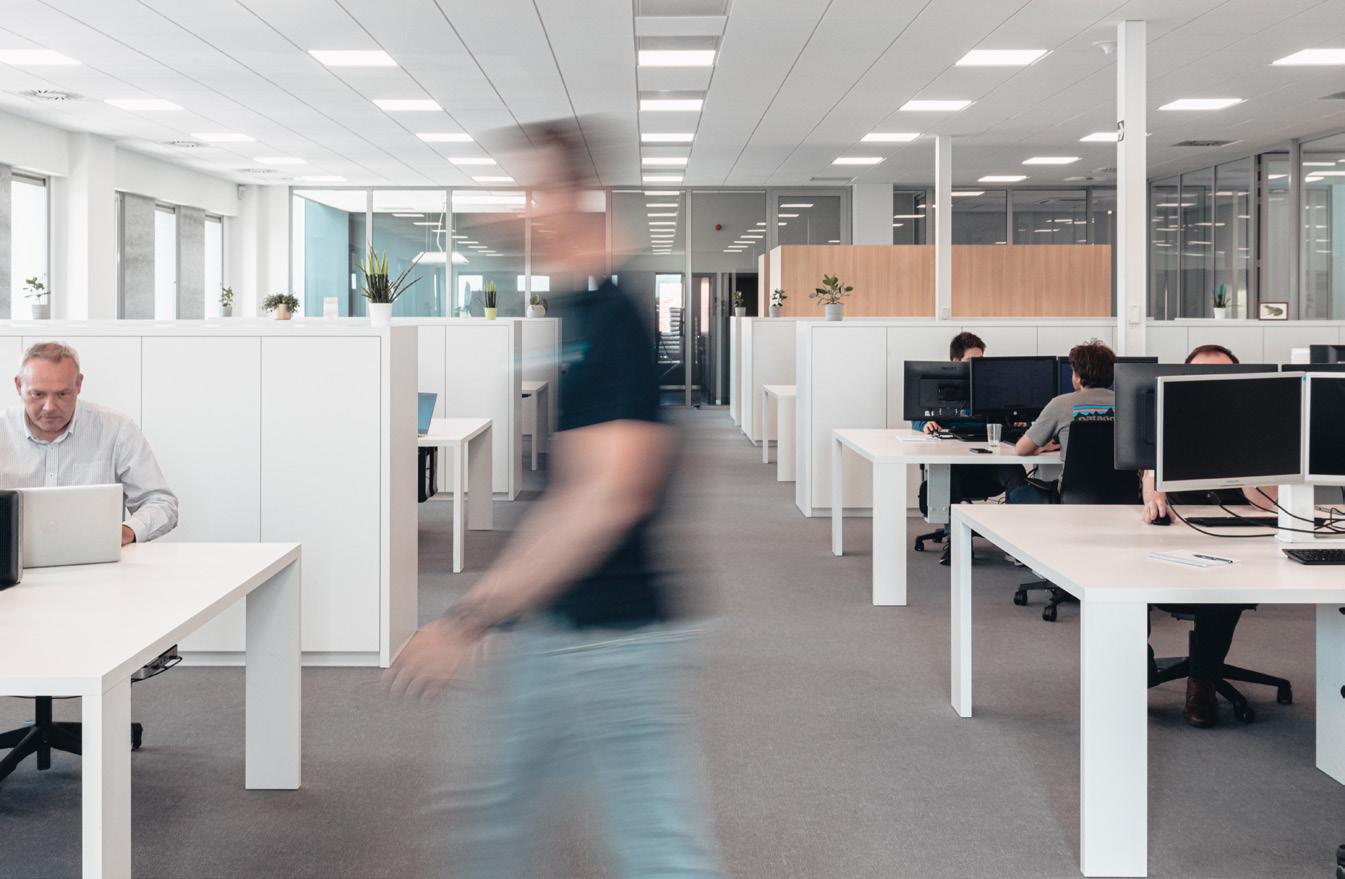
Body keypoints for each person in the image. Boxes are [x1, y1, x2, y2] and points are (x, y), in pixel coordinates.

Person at [386, 121, 722, 878]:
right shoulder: (580, 309)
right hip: (561, 616)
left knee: (657, 847)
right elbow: (573, 486)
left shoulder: (615, 318)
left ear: (576, 196)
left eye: (532, 191)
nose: (518, 209)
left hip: (613, 630)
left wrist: (469, 617)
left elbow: (608, 496)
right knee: (494, 812)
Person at [1140, 343, 1277, 728]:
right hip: (1174, 537)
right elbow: (1151, 482)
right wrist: (1154, 499)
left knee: (1224, 589)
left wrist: (1243, 437)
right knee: (1123, 576)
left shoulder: (1257, 427)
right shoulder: (1169, 423)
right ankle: (1137, 659)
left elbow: (1267, 503)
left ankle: (1201, 680)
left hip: (1236, 544)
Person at [0, 341, 178, 544]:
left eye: (62, 394)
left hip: (96, 557)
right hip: (9, 555)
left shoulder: (117, 429)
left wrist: (126, 532)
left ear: (78, 384)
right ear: (18, 386)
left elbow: (161, 503)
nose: (50, 407)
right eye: (38, 394)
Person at [911, 332, 1026, 562]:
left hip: (990, 458)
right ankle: (957, 542)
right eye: (970, 361)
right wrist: (926, 424)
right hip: (956, 460)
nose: (976, 367)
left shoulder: (991, 387)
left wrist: (1018, 421)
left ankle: (1017, 543)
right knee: (948, 473)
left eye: (980, 361)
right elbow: (916, 418)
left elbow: (1013, 415)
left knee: (1016, 473)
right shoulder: (940, 387)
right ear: (955, 362)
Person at [1006, 339, 1117, 503]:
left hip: (1072, 497)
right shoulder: (1129, 404)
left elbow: (1021, 449)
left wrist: (1044, 447)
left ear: (1078, 377)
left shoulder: (1060, 404)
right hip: (1124, 498)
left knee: (1018, 494)